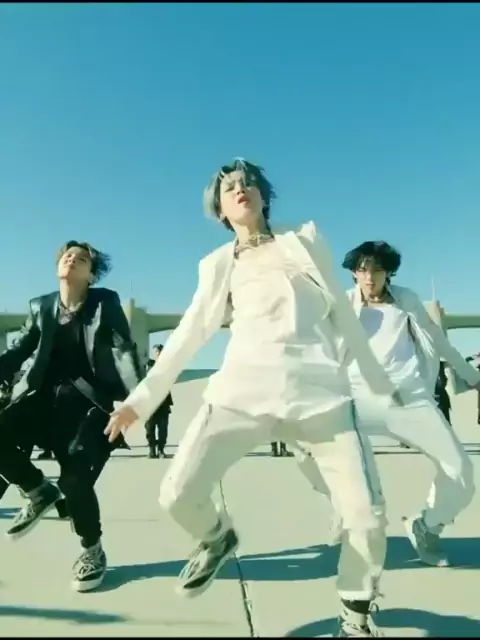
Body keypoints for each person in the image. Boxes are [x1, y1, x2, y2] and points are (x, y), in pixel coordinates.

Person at [106, 158, 403, 637]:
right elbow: (188, 335)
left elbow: (343, 315)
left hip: (320, 398)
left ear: (264, 196)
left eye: (248, 184)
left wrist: (377, 381)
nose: (240, 189)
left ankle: (355, 613)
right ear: (220, 210)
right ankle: (217, 537)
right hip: (241, 393)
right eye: (229, 188)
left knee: (367, 518)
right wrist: (139, 401)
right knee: (176, 495)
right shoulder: (218, 264)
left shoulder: (305, 240)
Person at [311, 241, 480, 568]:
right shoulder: (341, 304)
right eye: (362, 270)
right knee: (317, 455)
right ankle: (344, 511)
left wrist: (472, 377)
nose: (369, 277)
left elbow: (438, 341)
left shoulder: (407, 300)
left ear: (389, 272)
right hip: (356, 397)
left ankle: (426, 526)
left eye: (376, 270)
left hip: (408, 398)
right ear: (353, 273)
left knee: (460, 473)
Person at [0, 240, 142, 592]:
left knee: (75, 479)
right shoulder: (41, 306)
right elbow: (18, 352)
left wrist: (138, 399)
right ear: (58, 267)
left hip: (88, 404)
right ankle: (37, 490)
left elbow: (123, 349)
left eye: (82, 259)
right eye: (68, 255)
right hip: (40, 401)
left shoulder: (104, 302)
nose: (72, 259)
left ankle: (92, 549)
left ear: (91, 275)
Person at [145, 344, 173, 458]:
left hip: (163, 402)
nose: (159, 353)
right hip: (150, 402)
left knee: (163, 429)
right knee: (149, 428)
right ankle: (152, 450)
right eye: (157, 351)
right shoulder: (149, 364)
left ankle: (161, 450)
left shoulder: (168, 365)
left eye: (160, 351)